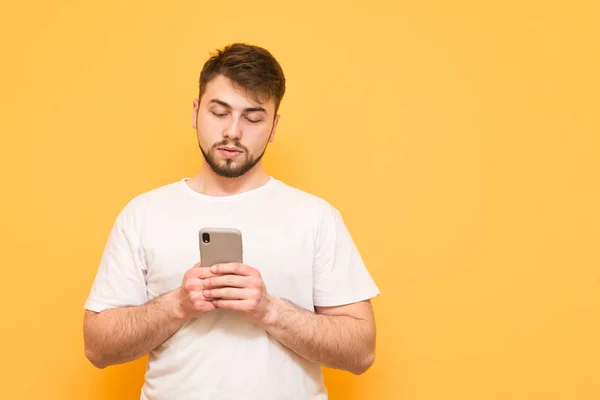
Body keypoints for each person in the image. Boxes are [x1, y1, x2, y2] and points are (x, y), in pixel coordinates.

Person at [83, 42, 380, 400]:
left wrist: (269, 310)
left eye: (253, 118)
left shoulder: (316, 218)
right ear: (195, 112)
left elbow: (361, 352)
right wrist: (178, 305)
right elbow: (97, 347)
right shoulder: (143, 214)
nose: (233, 132)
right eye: (219, 112)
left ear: (273, 126)